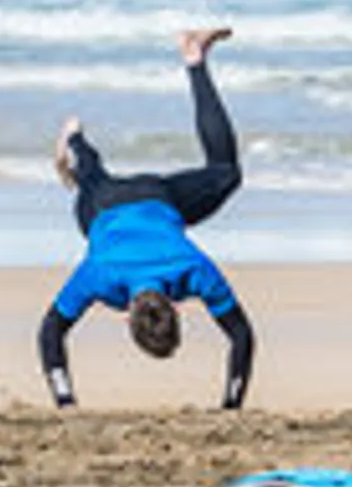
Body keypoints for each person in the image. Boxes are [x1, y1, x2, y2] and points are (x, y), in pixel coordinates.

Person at [40, 29, 254, 409]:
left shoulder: (193, 271)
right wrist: (65, 400)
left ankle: (193, 60)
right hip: (110, 209)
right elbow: (50, 333)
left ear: (175, 310)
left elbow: (242, 336)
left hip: (156, 198)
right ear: (127, 319)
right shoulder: (100, 276)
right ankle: (74, 142)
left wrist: (232, 405)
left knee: (226, 172)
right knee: (92, 183)